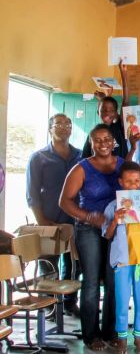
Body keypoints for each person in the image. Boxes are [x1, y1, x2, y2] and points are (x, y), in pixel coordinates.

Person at [59, 124, 124, 351]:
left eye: (107, 139)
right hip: (89, 230)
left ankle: (111, 332)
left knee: (114, 280)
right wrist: (87, 216)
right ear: (91, 143)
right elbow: (64, 201)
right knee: (92, 282)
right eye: (97, 139)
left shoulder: (122, 165)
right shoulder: (81, 168)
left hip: (116, 229)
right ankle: (91, 335)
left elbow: (134, 190)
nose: (103, 143)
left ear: (113, 141)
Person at [26, 113, 82, 315]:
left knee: (74, 265)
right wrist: (41, 221)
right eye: (58, 123)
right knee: (49, 265)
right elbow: (32, 193)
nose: (64, 126)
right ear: (50, 128)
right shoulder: (39, 157)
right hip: (49, 220)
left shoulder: (80, 156)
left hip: (75, 220)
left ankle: (69, 303)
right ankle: (49, 306)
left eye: (68, 123)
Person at [103, 161, 140, 354]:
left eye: (137, 181)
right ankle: (121, 338)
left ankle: (138, 336)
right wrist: (115, 220)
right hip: (123, 262)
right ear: (120, 182)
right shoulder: (113, 207)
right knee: (122, 300)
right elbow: (107, 235)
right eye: (128, 182)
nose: (133, 185)